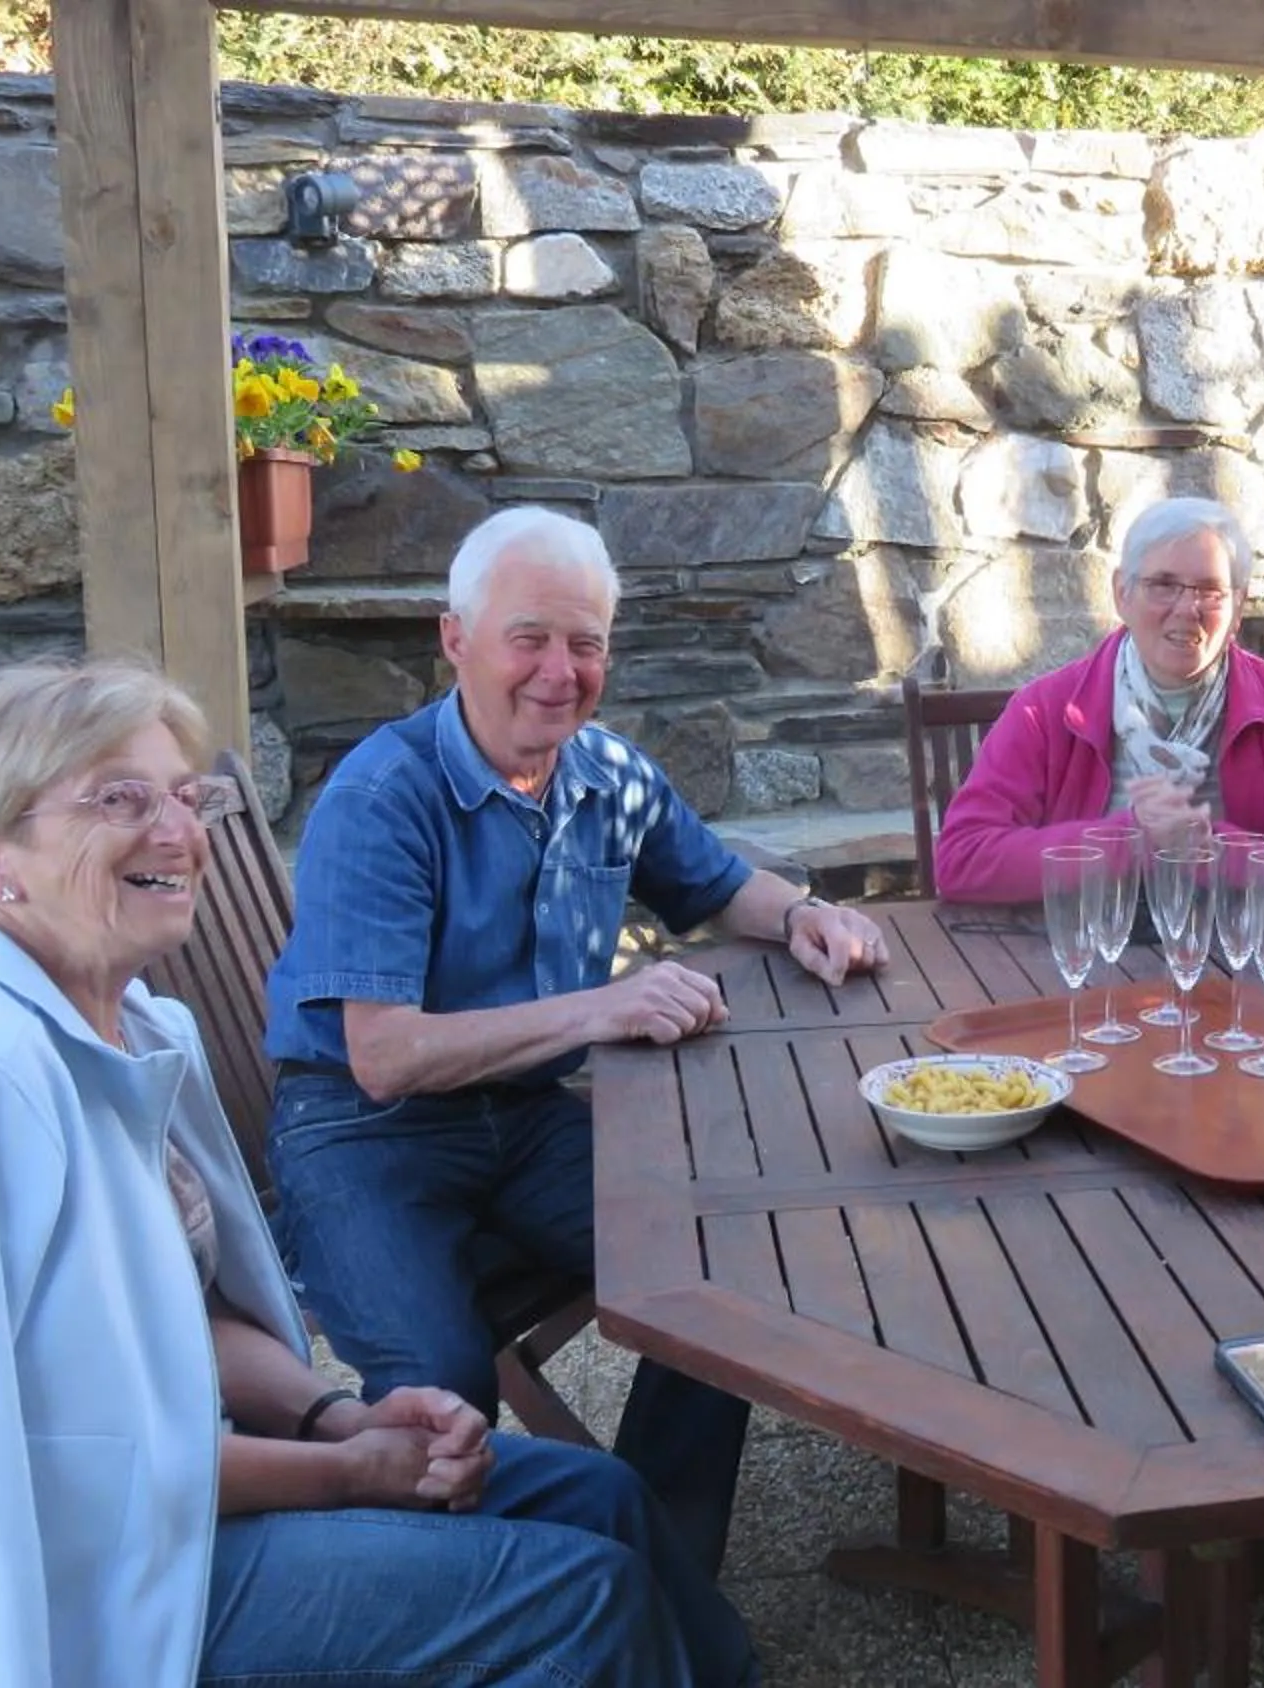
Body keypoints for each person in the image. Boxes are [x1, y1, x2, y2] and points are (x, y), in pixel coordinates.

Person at [0, 659, 726, 1688]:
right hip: (84, 1599)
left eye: (184, 793)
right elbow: (14, 1478)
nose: (178, 831)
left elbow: (169, 1323)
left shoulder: (124, 1021)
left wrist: (333, 1415)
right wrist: (338, 1470)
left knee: (597, 1495)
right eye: (117, 797)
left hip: (154, 1516)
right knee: (576, 1598)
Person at [260, 507, 884, 1645]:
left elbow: (713, 883)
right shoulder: (380, 794)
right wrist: (605, 1006)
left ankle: (652, 1581)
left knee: (730, 1287)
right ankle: (484, 1629)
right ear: (455, 640)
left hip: (524, 1116)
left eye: (586, 643)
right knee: (443, 1388)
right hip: (360, 1134)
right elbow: (384, 1053)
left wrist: (801, 914)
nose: (561, 673)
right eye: (529, 638)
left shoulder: (605, 773)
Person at [931, 496, 1264, 902]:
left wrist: (1216, 854)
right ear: (1121, 593)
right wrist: (1128, 841)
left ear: (1239, 608)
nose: (1187, 609)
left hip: (1235, 957)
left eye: (1209, 590)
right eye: (1163, 584)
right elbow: (962, 858)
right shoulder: (1047, 709)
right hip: (1085, 951)